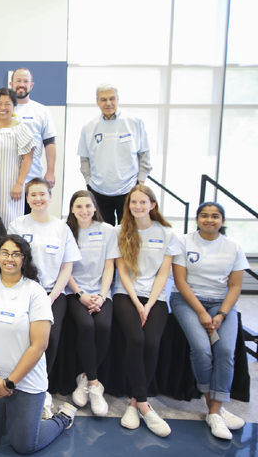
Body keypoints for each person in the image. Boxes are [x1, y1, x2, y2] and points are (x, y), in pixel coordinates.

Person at [0, 235, 76, 454]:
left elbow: (39, 345)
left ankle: (61, 418)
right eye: (5, 253)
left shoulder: (35, 292)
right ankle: (15, 416)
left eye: (16, 254)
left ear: (24, 259)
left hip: (25, 381)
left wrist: (9, 383)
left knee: (24, 445)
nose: (10, 258)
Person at [171, 202, 248, 440]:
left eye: (215, 216)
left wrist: (221, 314)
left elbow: (235, 286)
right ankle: (214, 408)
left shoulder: (233, 247)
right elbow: (181, 282)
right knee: (202, 349)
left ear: (222, 221)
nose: (209, 220)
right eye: (204, 216)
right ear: (197, 219)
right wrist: (202, 313)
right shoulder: (184, 241)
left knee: (225, 350)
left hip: (221, 303)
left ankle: (214, 412)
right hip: (187, 300)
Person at [8, 178, 81, 417]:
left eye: (42, 194)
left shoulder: (62, 228)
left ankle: (42, 390)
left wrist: (50, 297)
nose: (38, 199)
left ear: (50, 196)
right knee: (20, 338)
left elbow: (66, 267)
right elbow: (11, 261)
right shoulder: (18, 224)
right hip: (22, 290)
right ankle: (18, 383)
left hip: (53, 293)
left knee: (49, 341)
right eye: (33, 195)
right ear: (27, 199)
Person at [113, 184, 180, 437]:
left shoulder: (167, 233)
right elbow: (122, 272)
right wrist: (137, 303)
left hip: (156, 296)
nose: (137, 207)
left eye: (143, 202)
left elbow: (164, 273)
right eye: (133, 202)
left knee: (152, 342)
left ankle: (134, 402)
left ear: (153, 205)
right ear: (128, 206)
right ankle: (145, 405)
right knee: (136, 339)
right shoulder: (120, 231)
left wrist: (150, 303)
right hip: (126, 294)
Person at [64, 190, 119, 416]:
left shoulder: (108, 231)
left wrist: (102, 296)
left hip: (102, 293)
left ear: (95, 207)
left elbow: (109, 267)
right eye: (79, 207)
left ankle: (86, 379)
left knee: (104, 326)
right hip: (75, 291)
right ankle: (95, 384)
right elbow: (64, 267)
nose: (84, 211)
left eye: (88, 206)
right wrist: (80, 295)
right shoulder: (66, 230)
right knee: (86, 326)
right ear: (72, 210)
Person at [78, 84, 151, 225]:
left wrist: (140, 182)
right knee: (103, 234)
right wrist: (89, 183)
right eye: (103, 99)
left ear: (118, 99)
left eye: (112, 98)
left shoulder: (134, 122)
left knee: (128, 233)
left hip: (129, 189)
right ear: (97, 102)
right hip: (99, 191)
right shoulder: (89, 126)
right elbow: (84, 158)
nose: (108, 103)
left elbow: (144, 154)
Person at [0, 68, 57, 194]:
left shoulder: (41, 110)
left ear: (31, 85)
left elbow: (50, 142)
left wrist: (50, 171)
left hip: (32, 176)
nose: (22, 84)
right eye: (18, 80)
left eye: (25, 81)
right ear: (11, 84)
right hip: (2, 177)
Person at [0, 88, 35, 227]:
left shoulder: (20, 129)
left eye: (7, 104)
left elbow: (27, 159)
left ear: (14, 106)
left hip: (10, 188)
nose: (2, 107)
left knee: (10, 225)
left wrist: (19, 184)